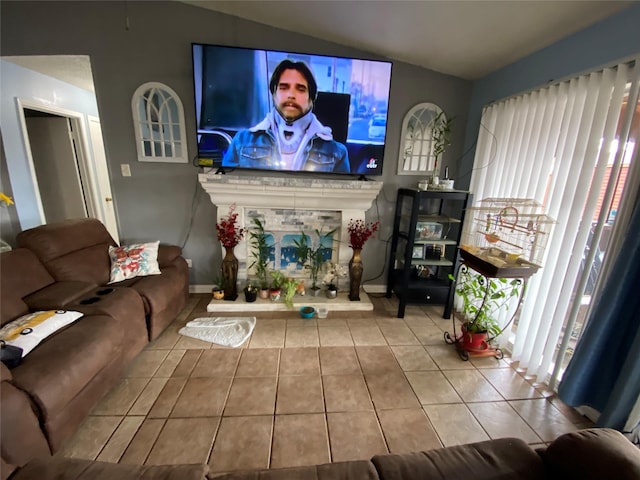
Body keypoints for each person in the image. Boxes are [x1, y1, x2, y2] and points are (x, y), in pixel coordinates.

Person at [222, 60, 350, 173]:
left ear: (311, 98)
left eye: (300, 89)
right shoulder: (242, 141)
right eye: (284, 87)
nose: (291, 95)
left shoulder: (337, 153)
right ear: (273, 94)